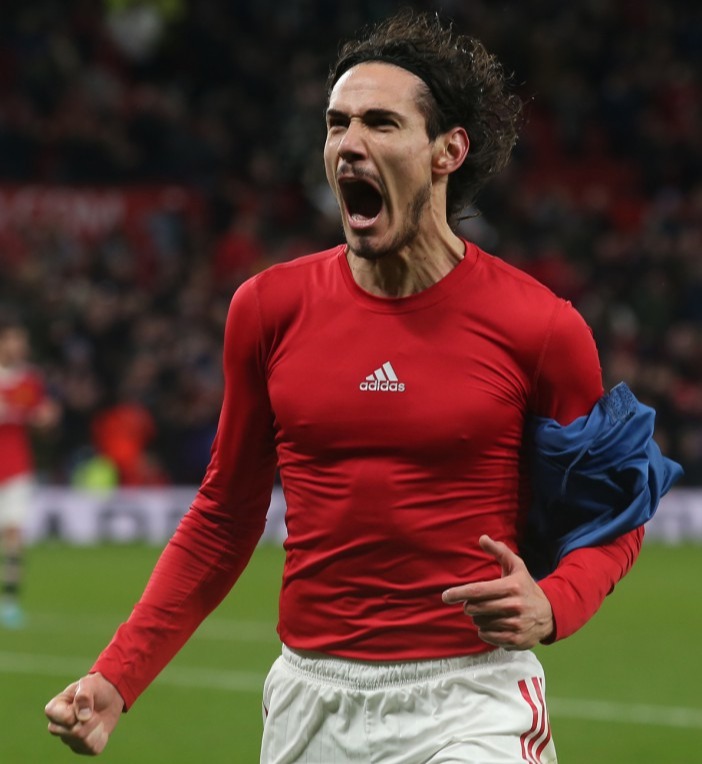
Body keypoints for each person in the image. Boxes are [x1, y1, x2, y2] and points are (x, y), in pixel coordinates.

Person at [44, 10, 681, 763]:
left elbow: (615, 513)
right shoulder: (266, 309)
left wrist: (554, 603)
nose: (350, 145)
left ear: (448, 151)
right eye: (336, 123)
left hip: (469, 701)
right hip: (310, 703)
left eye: (380, 123)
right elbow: (223, 517)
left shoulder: (539, 327)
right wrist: (119, 676)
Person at [0, 314, 60, 628]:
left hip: (17, 468)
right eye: (14, 338)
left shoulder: (29, 380)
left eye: (22, 339)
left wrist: (46, 418)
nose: (20, 345)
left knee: (13, 535)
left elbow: (44, 416)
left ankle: (9, 602)